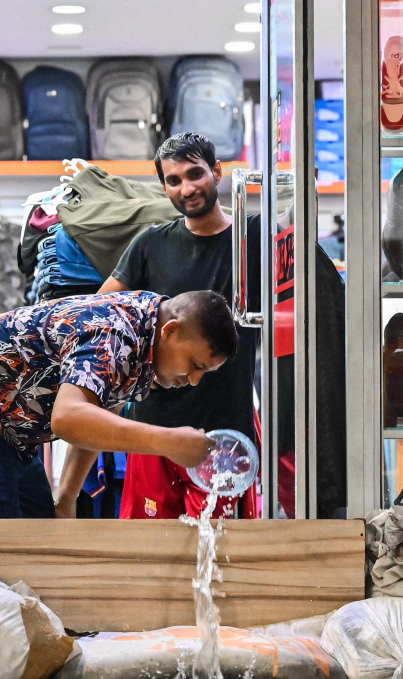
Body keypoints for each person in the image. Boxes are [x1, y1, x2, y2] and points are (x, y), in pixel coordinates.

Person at [92, 132, 261, 521]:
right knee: (150, 559)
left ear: (217, 172)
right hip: (153, 431)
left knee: (223, 563)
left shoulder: (253, 240)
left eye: (195, 174)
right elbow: (101, 317)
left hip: (225, 434)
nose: (186, 188)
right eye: (173, 180)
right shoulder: (150, 244)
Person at [0, 288, 237, 519]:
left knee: (41, 530)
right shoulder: (115, 333)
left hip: (11, 431)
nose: (195, 380)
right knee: (3, 546)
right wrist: (167, 442)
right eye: (195, 365)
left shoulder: (145, 341)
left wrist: (65, 500)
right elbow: (68, 419)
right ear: (171, 331)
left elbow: (96, 418)